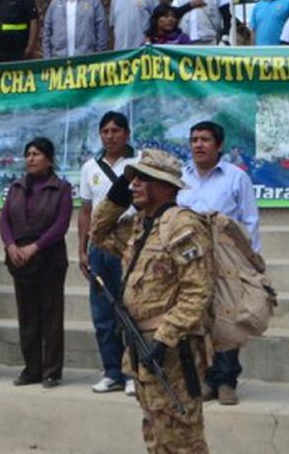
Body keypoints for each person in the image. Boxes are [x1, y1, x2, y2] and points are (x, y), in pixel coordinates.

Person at [89, 149, 213, 454]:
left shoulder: (183, 226)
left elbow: (197, 292)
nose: (134, 185)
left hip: (173, 348)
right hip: (140, 344)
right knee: (155, 430)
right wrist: (114, 201)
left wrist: (164, 339)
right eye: (133, 179)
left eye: (143, 179)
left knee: (183, 436)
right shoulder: (140, 226)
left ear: (166, 186)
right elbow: (98, 234)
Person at [177, 121, 258, 406]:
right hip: (188, 260)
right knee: (196, 319)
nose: (198, 145)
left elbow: (250, 221)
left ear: (219, 145)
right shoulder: (181, 177)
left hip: (227, 259)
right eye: (194, 139)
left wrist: (252, 262)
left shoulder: (236, 177)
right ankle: (205, 379)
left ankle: (226, 381)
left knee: (225, 319)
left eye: (205, 139)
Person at [77, 112, 140, 395]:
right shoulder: (90, 166)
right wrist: (82, 248)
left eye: (116, 130)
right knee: (102, 312)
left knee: (132, 309)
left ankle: (133, 373)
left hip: (131, 245)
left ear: (127, 133)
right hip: (99, 247)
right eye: (105, 131)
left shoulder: (140, 163)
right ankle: (111, 371)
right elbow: (86, 210)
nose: (110, 136)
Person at [0, 137, 71, 387]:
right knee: (27, 316)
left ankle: (51, 370)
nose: (30, 158)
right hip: (21, 262)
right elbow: (5, 220)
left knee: (50, 316)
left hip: (49, 259)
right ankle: (31, 368)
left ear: (49, 160)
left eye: (37, 154)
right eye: (28, 154)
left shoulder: (61, 188)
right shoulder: (16, 186)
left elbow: (61, 225)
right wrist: (10, 246)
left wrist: (35, 247)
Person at [42, 0, 109, 58]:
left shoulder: (93, 2)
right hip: (59, 60)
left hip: (86, 59)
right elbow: (47, 33)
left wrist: (98, 56)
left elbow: (101, 31)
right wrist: (47, 58)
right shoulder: (55, 3)